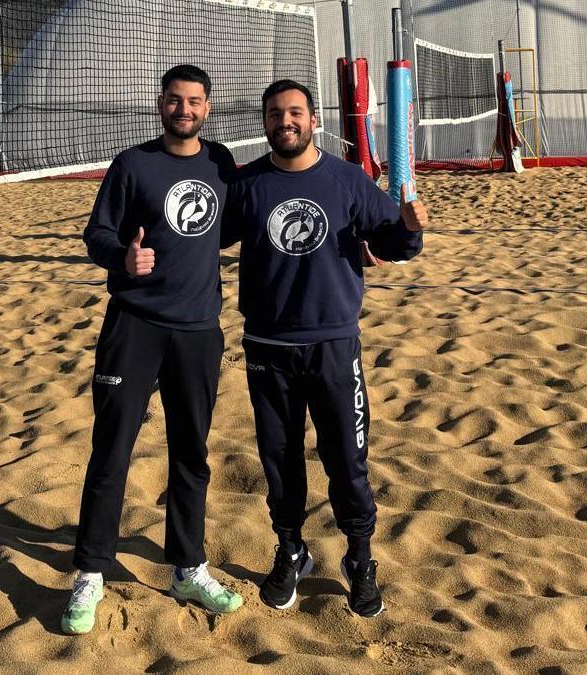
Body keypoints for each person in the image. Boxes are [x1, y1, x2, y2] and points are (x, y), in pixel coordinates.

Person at [222, 79, 428, 618]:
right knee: (279, 458)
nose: (284, 121)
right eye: (274, 114)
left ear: (314, 119)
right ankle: (292, 549)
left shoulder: (347, 180)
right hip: (267, 344)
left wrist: (410, 231)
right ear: (265, 122)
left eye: (294, 112)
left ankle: (359, 559)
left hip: (333, 343)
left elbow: (391, 239)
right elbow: (198, 234)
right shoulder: (246, 185)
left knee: (346, 459)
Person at [63, 65, 244, 635]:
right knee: (112, 449)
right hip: (134, 326)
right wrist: (123, 258)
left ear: (207, 108)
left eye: (194, 101)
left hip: (197, 330)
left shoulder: (220, 163)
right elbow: (98, 233)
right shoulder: (132, 164)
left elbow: (235, 225)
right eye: (174, 100)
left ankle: (187, 566)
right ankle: (90, 571)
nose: (183, 109)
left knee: (190, 453)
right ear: (160, 104)